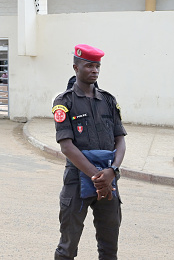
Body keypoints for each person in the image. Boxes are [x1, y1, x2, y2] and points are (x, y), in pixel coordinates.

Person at [52, 44, 126, 260]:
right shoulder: (64, 102)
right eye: (89, 66)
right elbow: (66, 146)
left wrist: (111, 171)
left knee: (109, 246)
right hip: (78, 179)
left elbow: (120, 141)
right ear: (76, 67)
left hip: (108, 177)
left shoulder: (109, 101)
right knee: (67, 247)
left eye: (97, 66)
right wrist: (98, 177)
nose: (94, 70)